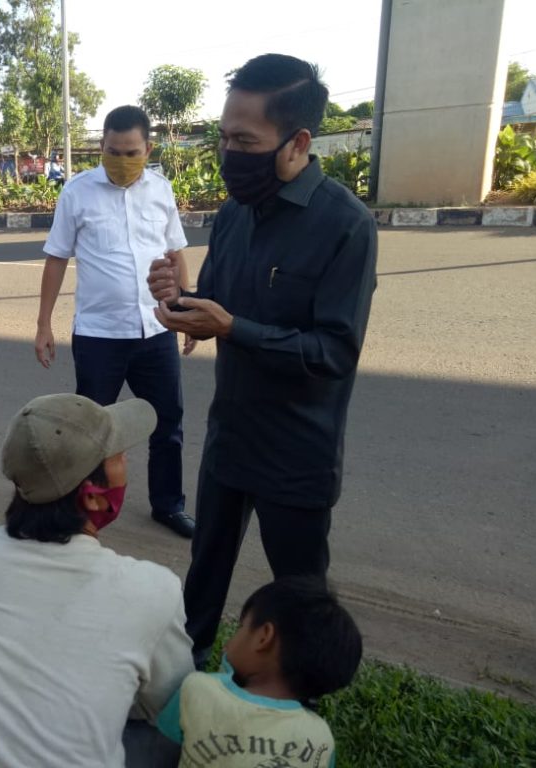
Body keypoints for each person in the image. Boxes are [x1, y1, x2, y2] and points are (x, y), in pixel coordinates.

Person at [148, 53, 378, 666]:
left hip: (297, 454)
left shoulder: (346, 225)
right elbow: (217, 305)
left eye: (245, 142)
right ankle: (181, 681)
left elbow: (334, 351)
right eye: (225, 138)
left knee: (300, 599)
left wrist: (233, 328)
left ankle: (299, 703)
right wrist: (177, 298)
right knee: (204, 576)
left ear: (298, 143)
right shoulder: (234, 215)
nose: (230, 154)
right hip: (231, 438)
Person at [0, 393, 194, 768]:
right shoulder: (152, 590)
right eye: (117, 456)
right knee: (170, 727)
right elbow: (172, 704)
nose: (126, 462)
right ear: (94, 498)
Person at [37, 104, 197, 539]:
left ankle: (169, 505)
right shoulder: (77, 192)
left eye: (131, 153)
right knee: (89, 430)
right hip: (99, 335)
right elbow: (56, 258)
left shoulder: (161, 190)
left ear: (148, 149)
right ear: (101, 147)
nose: (121, 161)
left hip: (155, 329)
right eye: (112, 151)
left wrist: (185, 312)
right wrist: (43, 324)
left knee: (168, 423)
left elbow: (174, 254)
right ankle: (84, 514)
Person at [157, 577, 362, 767]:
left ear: (264, 637)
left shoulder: (199, 690)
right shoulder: (321, 739)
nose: (228, 644)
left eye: (241, 627)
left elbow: (155, 755)